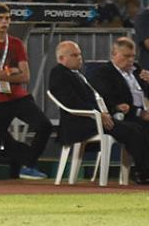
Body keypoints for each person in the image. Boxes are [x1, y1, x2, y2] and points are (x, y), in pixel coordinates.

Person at [49, 40, 149, 184]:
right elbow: (70, 101)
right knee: (132, 130)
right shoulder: (59, 73)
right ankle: (143, 172)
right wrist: (97, 114)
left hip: (93, 118)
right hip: (78, 123)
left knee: (135, 128)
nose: (79, 58)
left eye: (79, 54)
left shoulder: (76, 74)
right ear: (61, 59)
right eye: (74, 55)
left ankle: (143, 171)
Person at [0, 3, 51, 179]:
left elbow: (25, 77)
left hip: (18, 97)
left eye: (7, 18)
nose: (4, 22)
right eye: (0, 18)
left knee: (44, 125)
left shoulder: (16, 43)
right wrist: (10, 71)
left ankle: (29, 164)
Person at [88, 38, 149, 132]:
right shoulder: (104, 73)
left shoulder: (137, 70)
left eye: (133, 56)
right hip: (125, 116)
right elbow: (114, 102)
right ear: (113, 54)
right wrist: (140, 113)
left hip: (143, 113)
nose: (131, 60)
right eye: (126, 56)